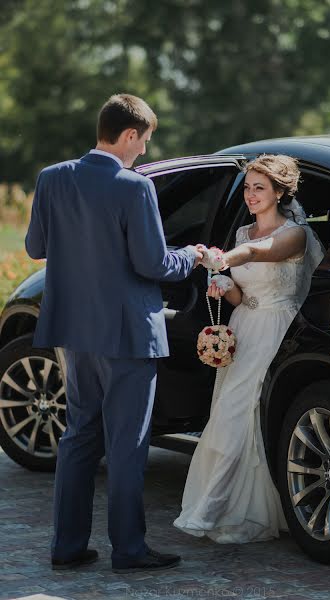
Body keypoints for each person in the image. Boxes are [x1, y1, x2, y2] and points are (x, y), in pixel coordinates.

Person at [25, 93, 203, 572]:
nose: (144, 151)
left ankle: (66, 547)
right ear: (128, 135)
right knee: (128, 444)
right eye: (143, 141)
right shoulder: (134, 187)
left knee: (79, 436)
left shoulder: (51, 178)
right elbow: (154, 263)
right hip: (127, 334)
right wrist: (193, 254)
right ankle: (129, 549)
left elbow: (36, 247)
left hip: (74, 331)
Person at [174, 154, 324, 543]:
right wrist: (226, 287)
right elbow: (244, 294)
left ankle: (209, 510)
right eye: (247, 187)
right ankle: (242, 507)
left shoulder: (295, 234)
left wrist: (222, 259)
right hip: (243, 327)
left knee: (233, 413)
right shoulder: (242, 232)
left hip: (275, 328)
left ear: (278, 192)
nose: (251, 195)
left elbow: (260, 253)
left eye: (259, 187)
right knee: (231, 412)